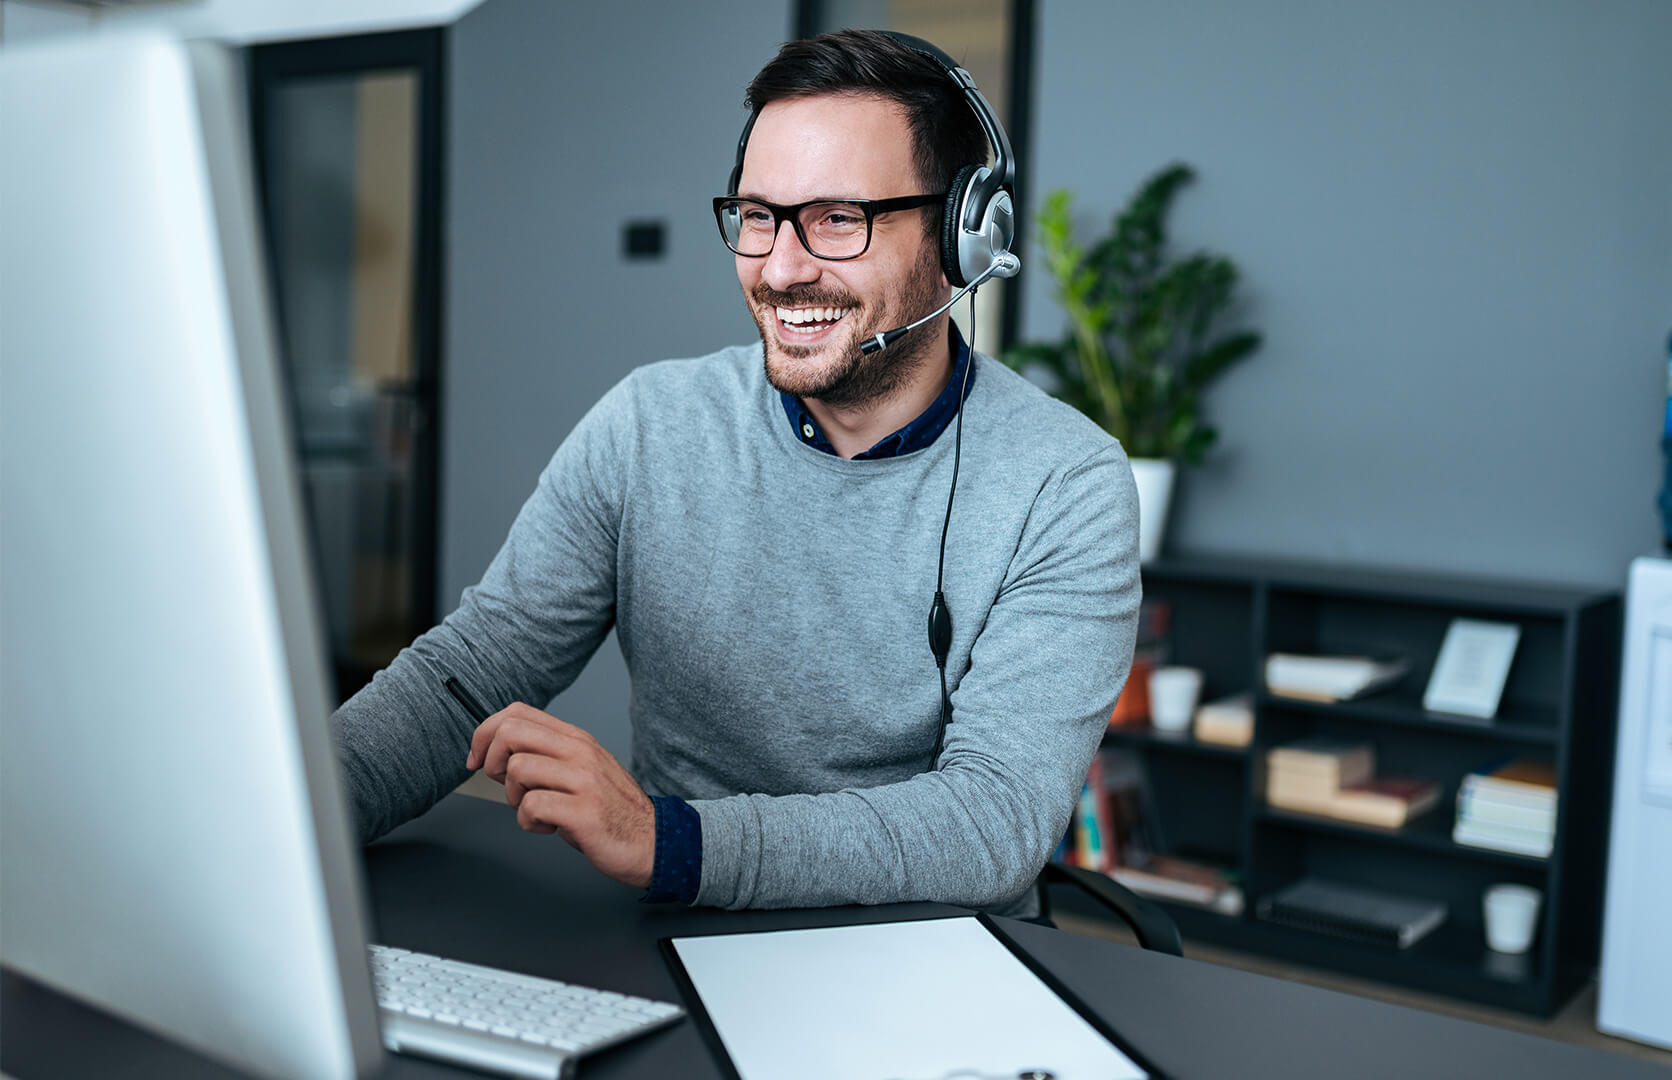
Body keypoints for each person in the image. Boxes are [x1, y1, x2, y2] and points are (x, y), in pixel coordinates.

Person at [333, 29, 1140, 917]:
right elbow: (472, 671)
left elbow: (992, 823)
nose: (782, 268)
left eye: (839, 218)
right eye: (760, 216)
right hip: (679, 931)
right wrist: (293, 816)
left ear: (960, 236)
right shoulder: (648, 425)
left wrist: (670, 840)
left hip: (931, 956)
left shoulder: (1066, 483)